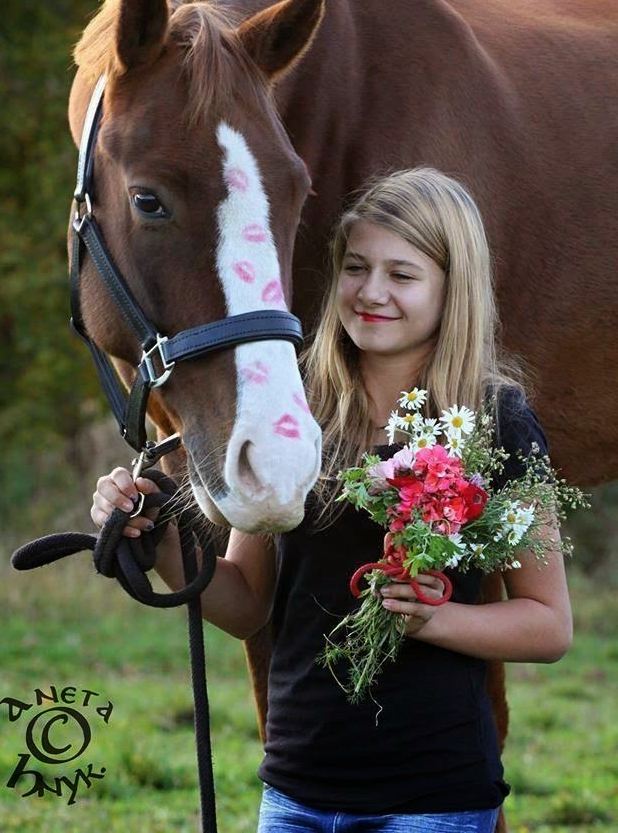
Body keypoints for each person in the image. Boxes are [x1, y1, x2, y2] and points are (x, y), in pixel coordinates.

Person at [90, 167, 572, 833]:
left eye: (402, 275)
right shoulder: (298, 412)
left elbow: (548, 626)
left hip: (431, 798)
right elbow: (244, 604)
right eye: (356, 268)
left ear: (451, 290)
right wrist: (157, 538)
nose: (371, 293)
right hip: (296, 793)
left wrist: (432, 622)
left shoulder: (495, 423)